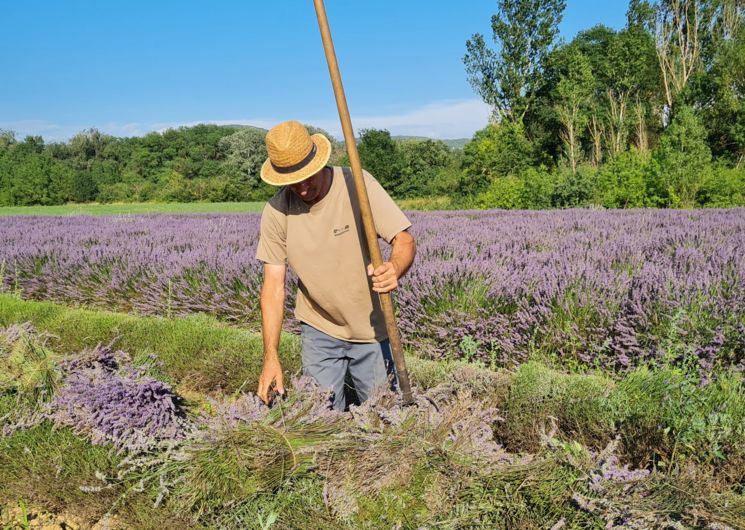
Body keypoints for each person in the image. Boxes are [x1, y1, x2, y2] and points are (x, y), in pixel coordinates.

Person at [255, 120, 416, 410]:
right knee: (320, 419)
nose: (302, 188)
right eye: (293, 181)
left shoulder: (357, 184)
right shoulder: (276, 211)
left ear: (319, 161)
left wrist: (394, 267)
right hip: (319, 330)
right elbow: (273, 288)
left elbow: (403, 239)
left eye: (307, 177)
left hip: (371, 330)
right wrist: (271, 357)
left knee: (384, 418)